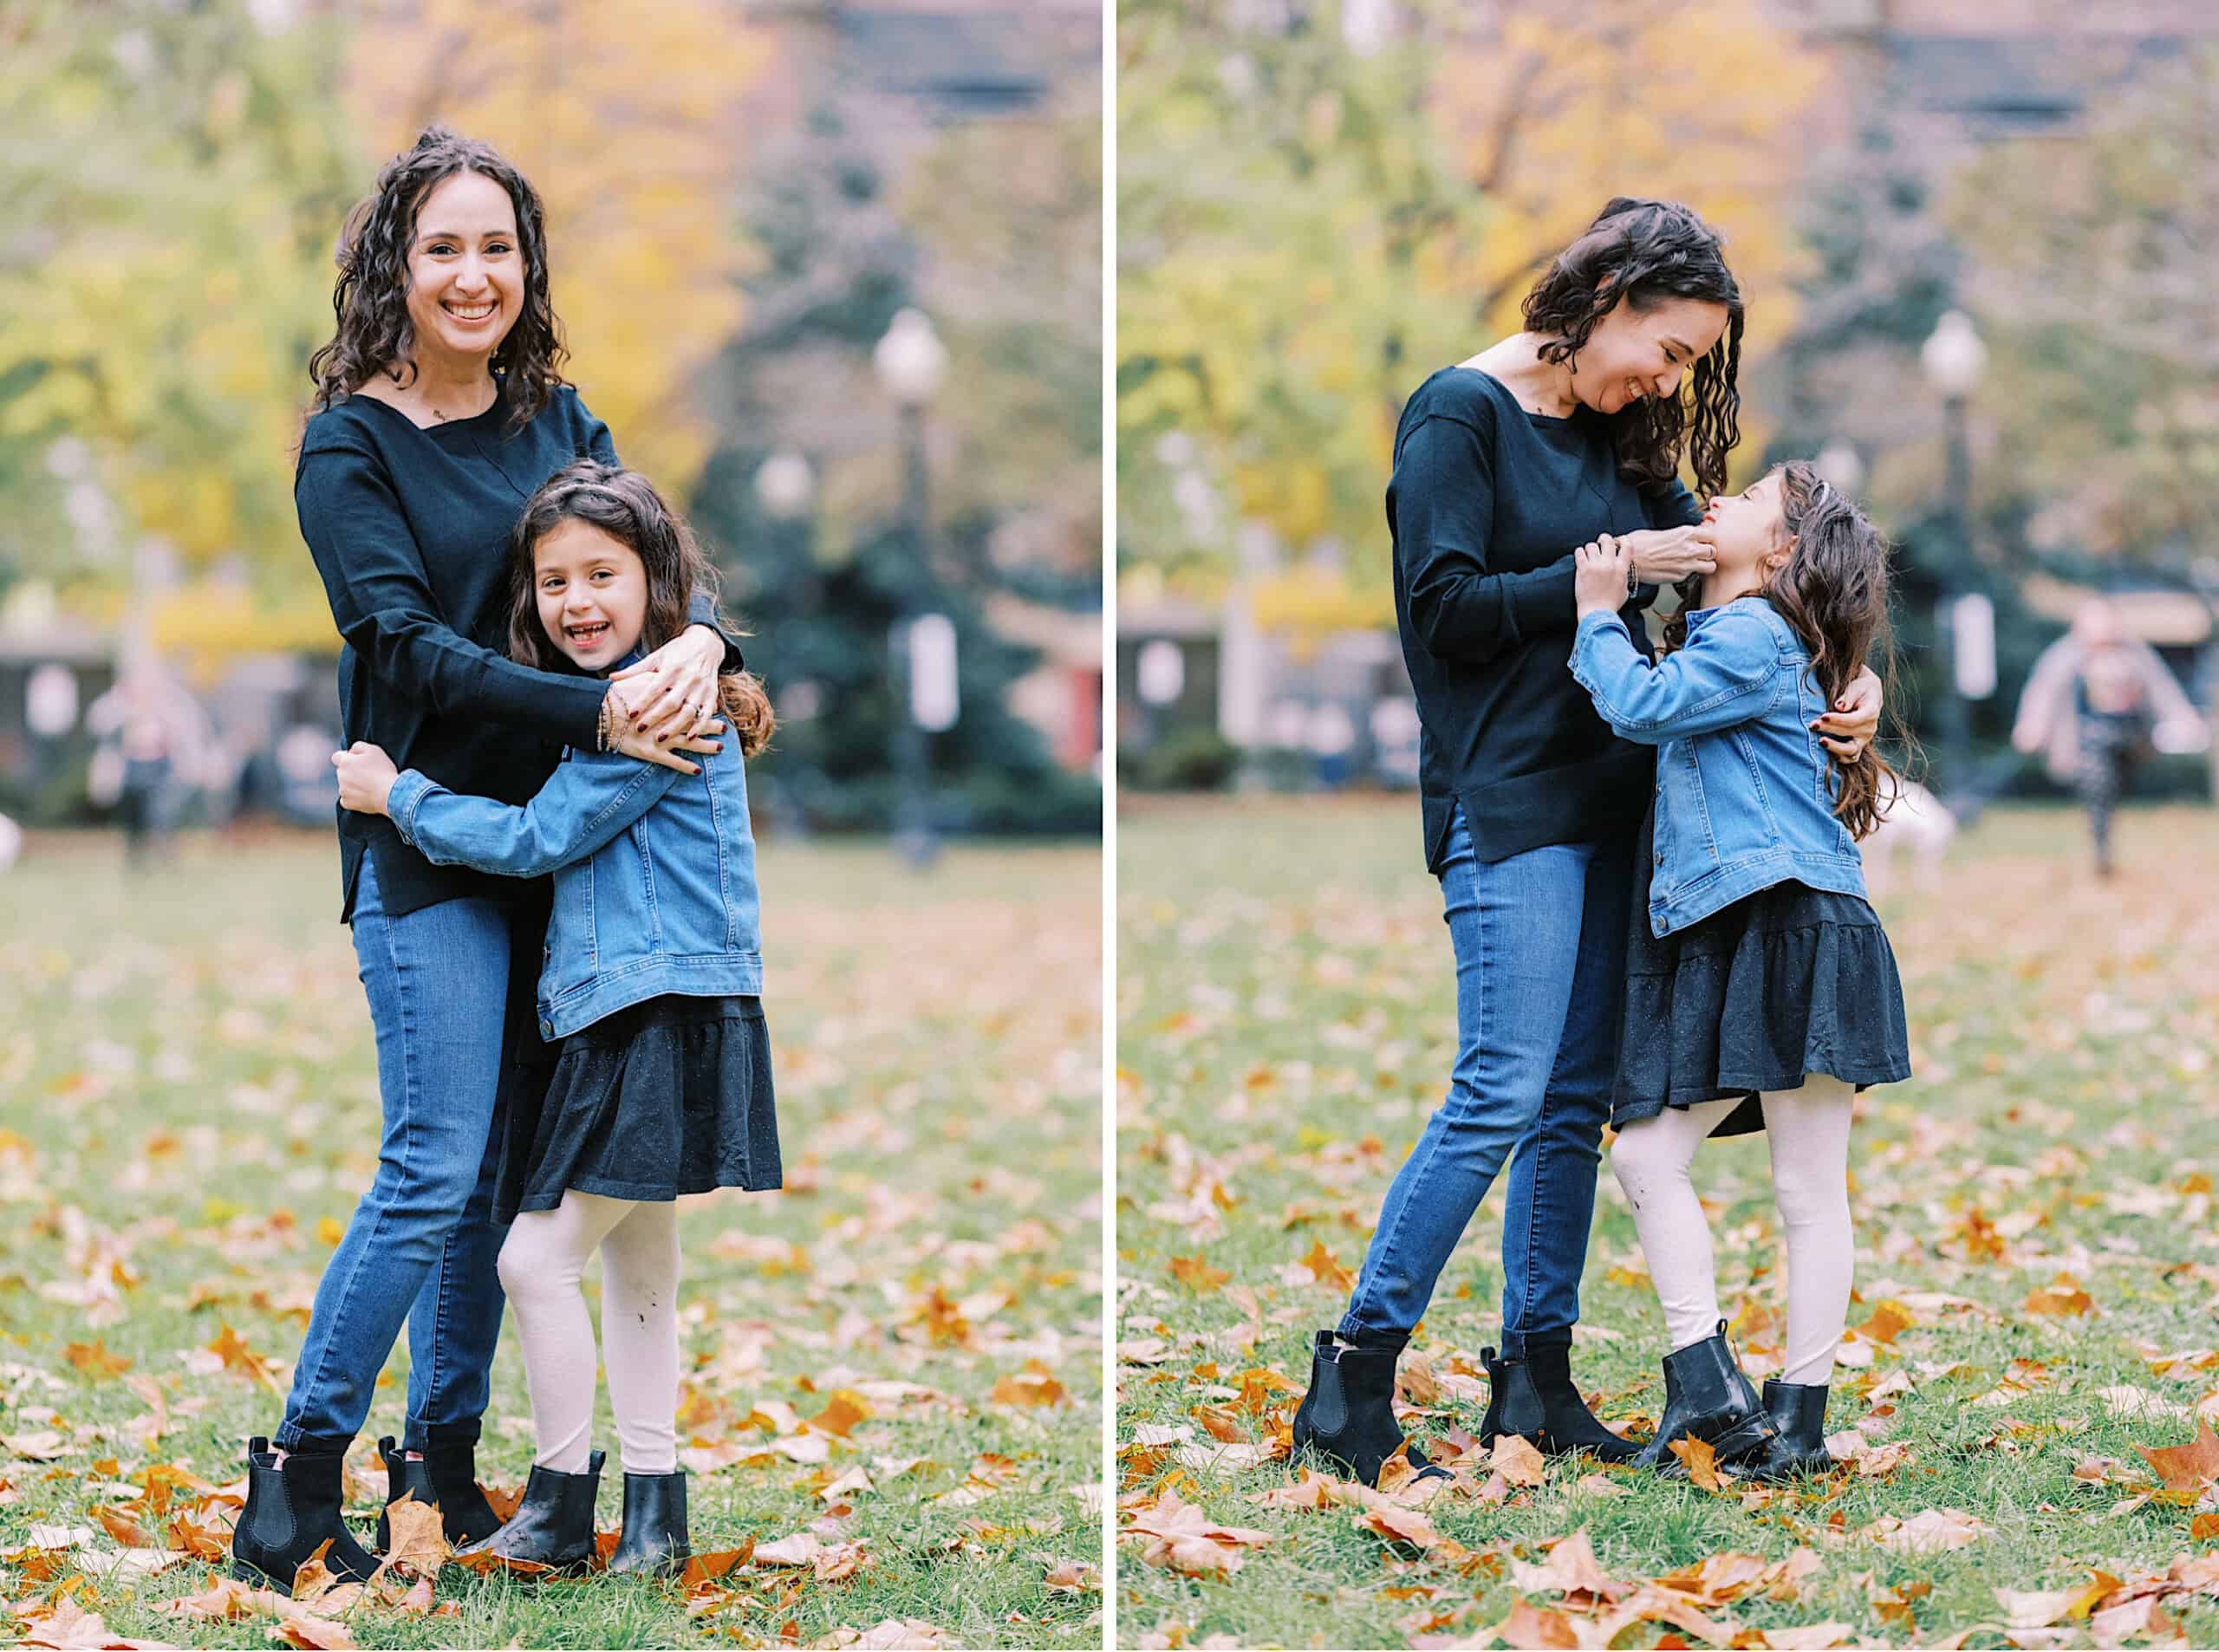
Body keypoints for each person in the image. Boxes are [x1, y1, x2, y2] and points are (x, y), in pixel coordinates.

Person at [1289, 199, 1884, 1488]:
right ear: (1602, 291)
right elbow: (1440, 612)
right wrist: (1594, 575)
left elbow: (1762, 567)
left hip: (1634, 802)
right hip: (1508, 797)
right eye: (1663, 348)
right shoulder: (1458, 415)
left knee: (1575, 1105)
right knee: (1499, 1087)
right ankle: (1353, 1376)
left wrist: (1855, 677)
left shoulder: (1622, 435)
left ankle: (1537, 1380)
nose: (1665, 382)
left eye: (1684, 365)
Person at [231, 127, 744, 1596]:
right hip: (422, 845)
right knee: (433, 1164)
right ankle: (294, 1478)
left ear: (529, 268)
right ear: (396, 264)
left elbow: (656, 562)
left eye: (498, 247)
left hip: (565, 859)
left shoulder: (556, 418)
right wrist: (601, 706)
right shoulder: (352, 445)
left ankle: (441, 1469)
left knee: (502, 1180)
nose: (473, 274)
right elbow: (406, 647)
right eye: (443, 247)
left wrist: (702, 642)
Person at [331, 462, 779, 1577]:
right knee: (640, 1271)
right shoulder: (646, 689)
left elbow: (535, 839)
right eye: (552, 581)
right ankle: (658, 1518)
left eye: (603, 575)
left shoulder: (653, 706)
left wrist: (398, 797)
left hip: (648, 1016)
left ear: (659, 580)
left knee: (535, 1262)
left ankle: (566, 1502)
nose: (576, 601)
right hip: (657, 1014)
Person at [1568, 460, 1911, 1480]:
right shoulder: (1764, 639)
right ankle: (1762, 1407)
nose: (1714, 500)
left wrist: (1597, 608)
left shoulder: (1754, 633)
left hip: (1782, 920)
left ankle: (1721, 1391)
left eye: (1748, 495)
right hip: (1786, 919)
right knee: (1789, 1186)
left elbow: (1635, 704)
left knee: (1672, 1162)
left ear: (1783, 550)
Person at [2010, 597, 2203, 878]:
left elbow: (2162, 689)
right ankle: (2101, 851)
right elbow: (2043, 691)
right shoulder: (2065, 655)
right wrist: (2032, 725)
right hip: (2088, 739)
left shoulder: (2135, 653)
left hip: (2130, 738)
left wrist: (2185, 719)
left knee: (2120, 788)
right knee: (2098, 790)